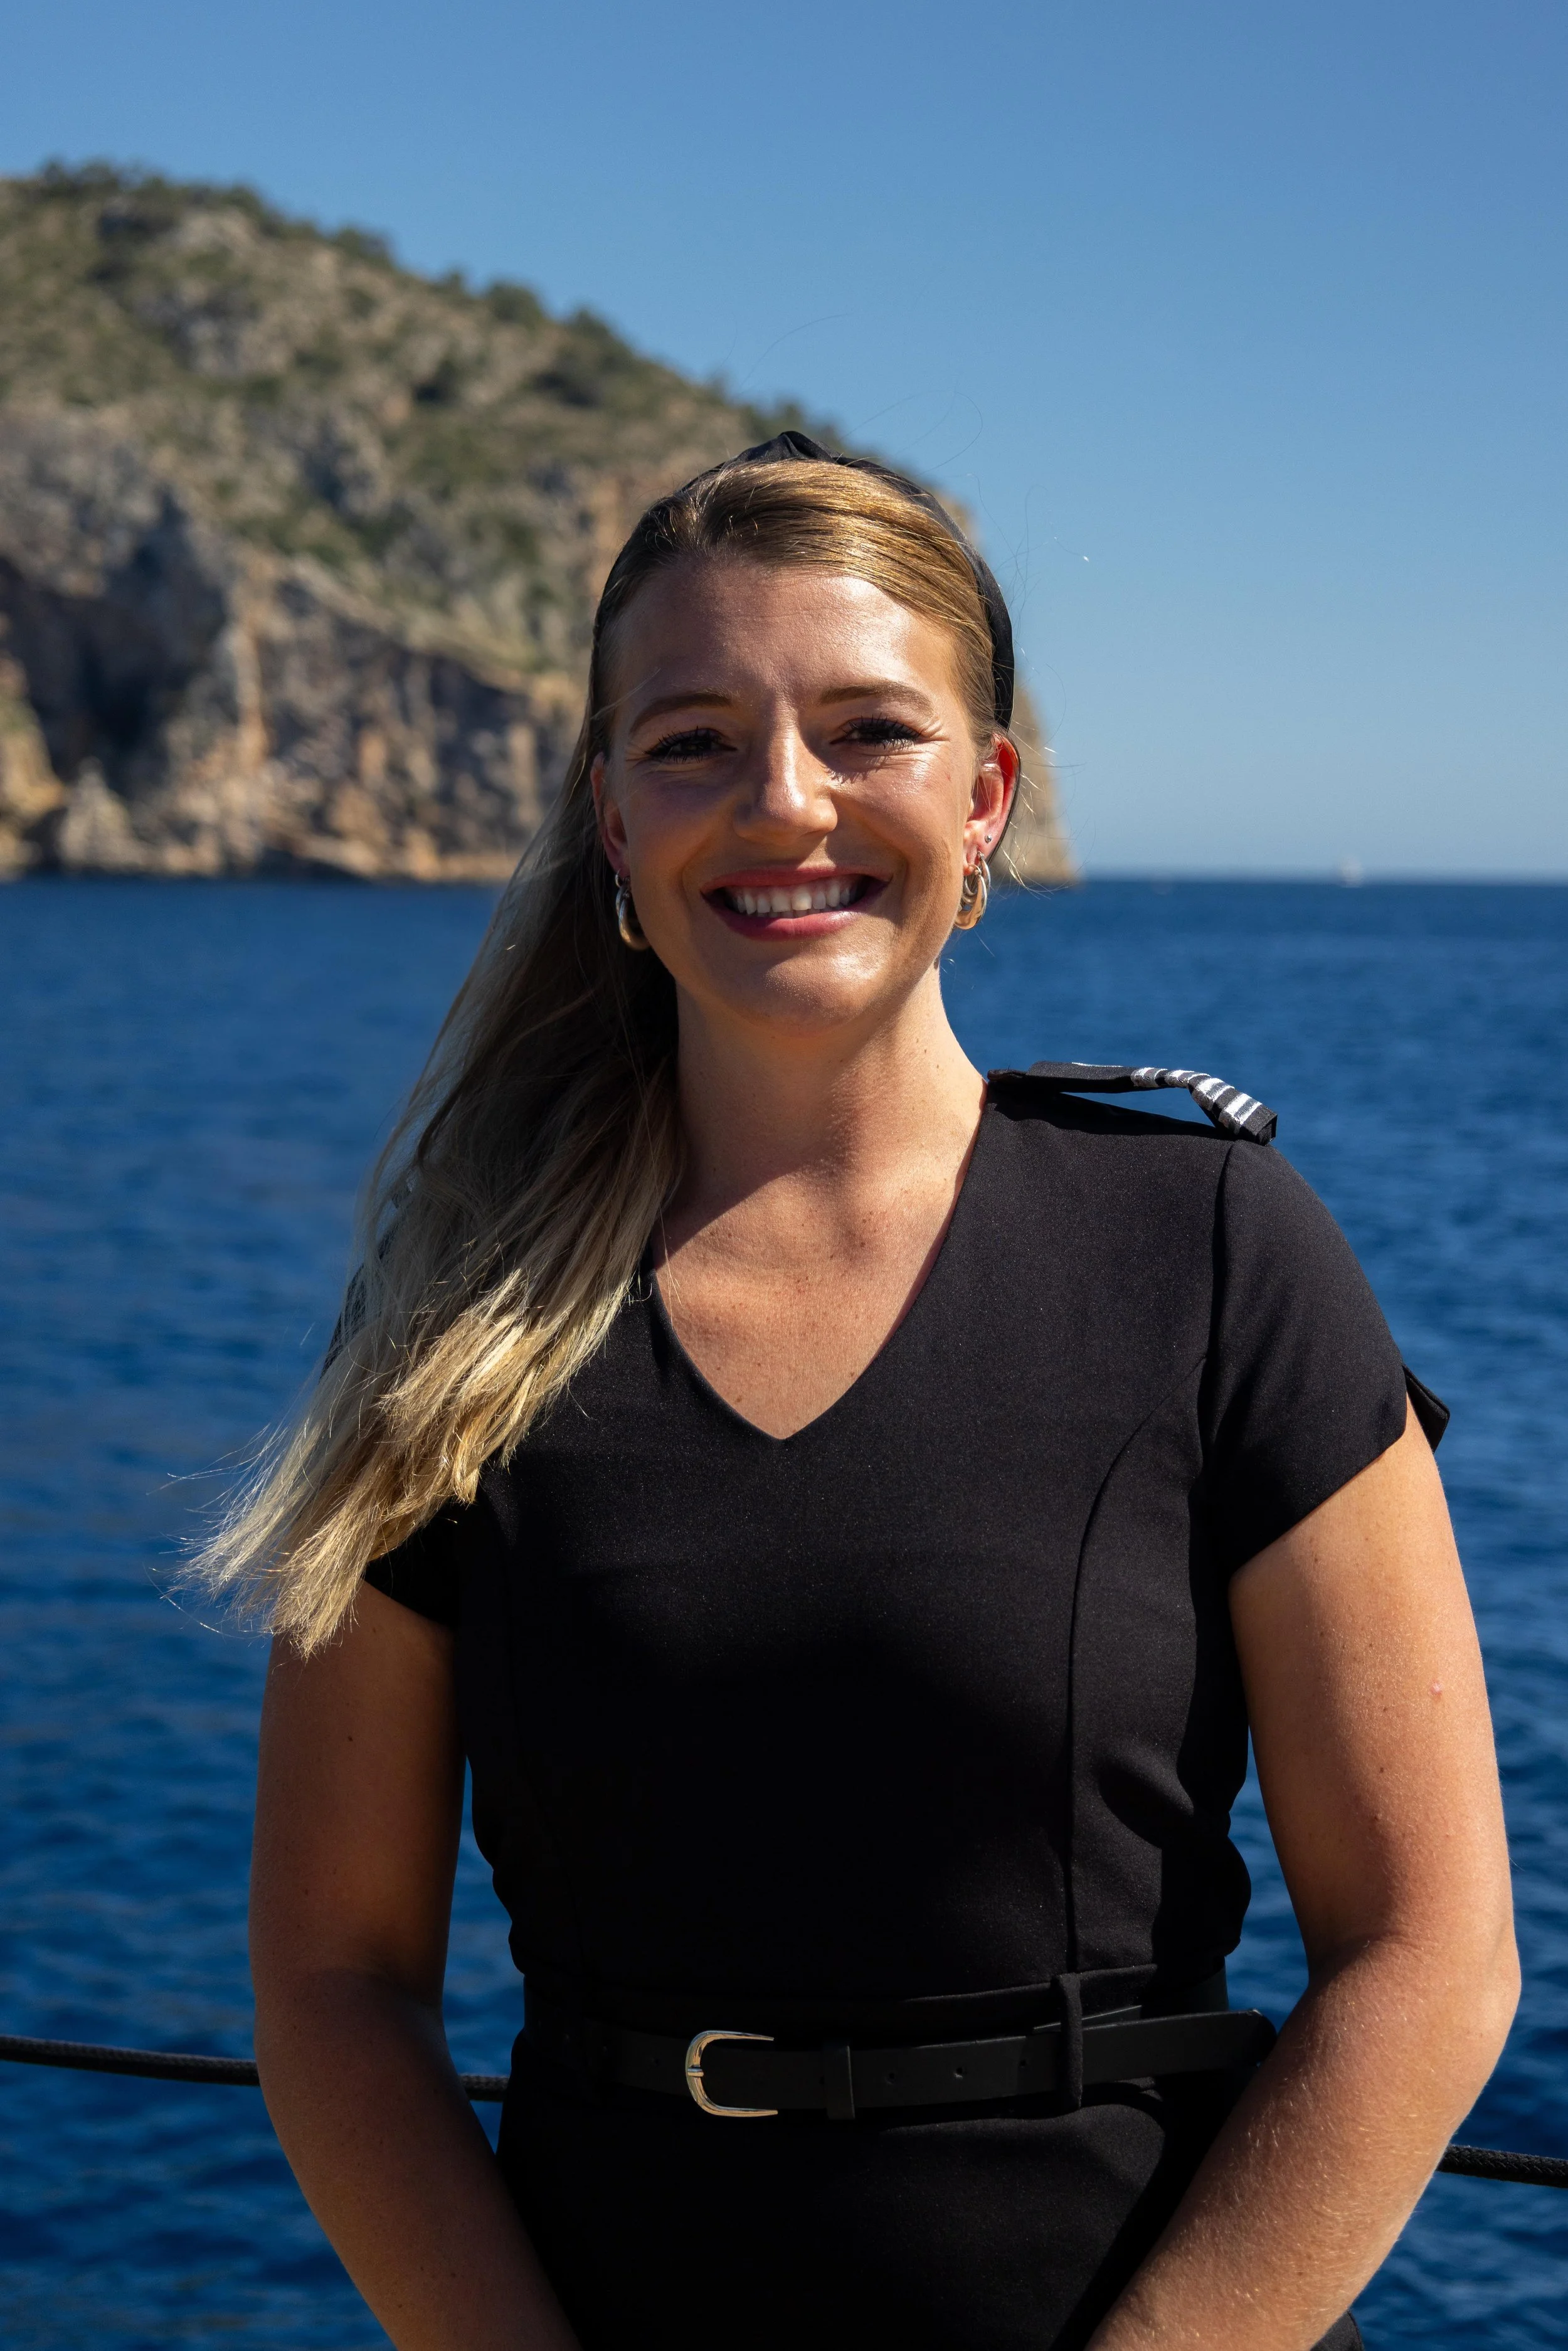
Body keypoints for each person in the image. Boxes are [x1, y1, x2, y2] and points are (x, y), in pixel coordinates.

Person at [223, 438, 1518, 2351]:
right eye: (690, 741)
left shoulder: (1216, 1255)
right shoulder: (457, 1324)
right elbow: (333, 1979)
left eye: (866, 730)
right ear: (607, 818)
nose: (782, 802)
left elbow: (1429, 1958)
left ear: (986, 797)